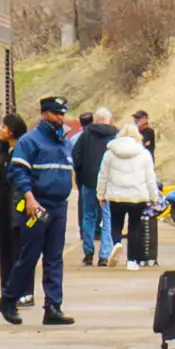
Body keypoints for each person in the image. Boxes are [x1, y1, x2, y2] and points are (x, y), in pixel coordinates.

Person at [10, 99, 80, 323]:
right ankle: (8, 299)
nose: (60, 117)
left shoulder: (64, 143)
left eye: (62, 113)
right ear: (43, 114)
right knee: (30, 255)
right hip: (36, 207)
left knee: (54, 258)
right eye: (55, 113)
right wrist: (29, 197)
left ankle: (53, 307)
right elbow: (18, 173)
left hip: (59, 207)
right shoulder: (30, 141)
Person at [0, 112, 38, 323]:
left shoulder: (22, 156)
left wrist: (24, 212)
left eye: (4, 127)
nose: (0, 131)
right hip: (5, 214)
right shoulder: (3, 154)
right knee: (7, 256)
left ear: (12, 131)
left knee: (21, 254)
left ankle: (23, 292)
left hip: (19, 214)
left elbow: (25, 189)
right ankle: (8, 293)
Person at [96, 112, 160, 268]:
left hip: (116, 195)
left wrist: (101, 194)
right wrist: (154, 197)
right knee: (135, 227)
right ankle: (132, 260)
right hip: (138, 196)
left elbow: (103, 175)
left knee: (115, 224)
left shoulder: (110, 153)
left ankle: (117, 243)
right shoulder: (144, 154)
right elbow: (150, 178)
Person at [70, 105, 121, 267]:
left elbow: (76, 157)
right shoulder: (116, 136)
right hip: (108, 184)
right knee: (107, 217)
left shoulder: (85, 135)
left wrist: (81, 177)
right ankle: (104, 255)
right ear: (109, 120)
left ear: (95, 120)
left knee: (88, 215)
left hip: (88, 182)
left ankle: (88, 251)